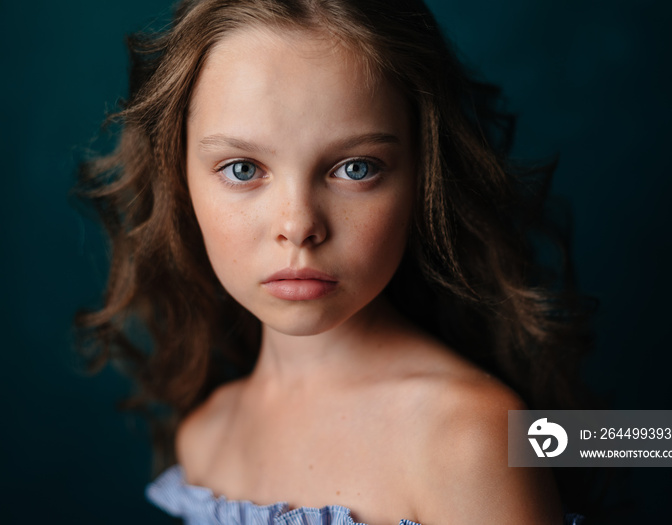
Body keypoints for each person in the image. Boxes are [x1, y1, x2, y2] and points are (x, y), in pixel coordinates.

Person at [75, 0, 594, 523]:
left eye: (356, 167)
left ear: (422, 178)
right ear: (179, 181)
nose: (299, 225)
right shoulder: (205, 440)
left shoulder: (467, 438)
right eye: (240, 169)